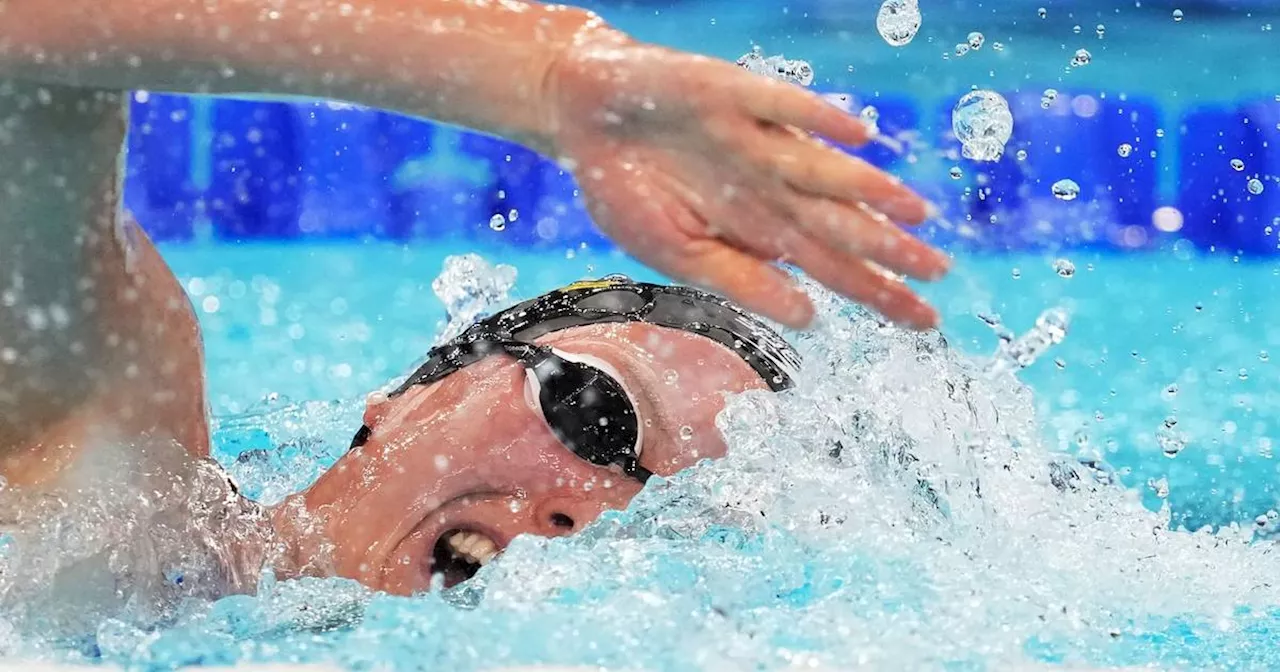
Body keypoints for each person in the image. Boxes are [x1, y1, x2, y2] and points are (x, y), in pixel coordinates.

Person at [0, 0, 950, 623]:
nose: (600, 512)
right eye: (598, 414)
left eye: (677, 515)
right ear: (406, 396)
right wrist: (545, 77)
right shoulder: (114, 496)